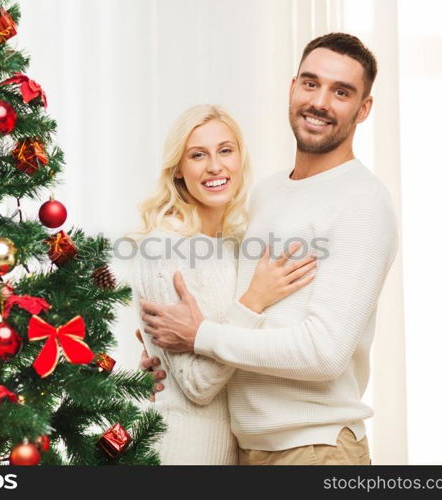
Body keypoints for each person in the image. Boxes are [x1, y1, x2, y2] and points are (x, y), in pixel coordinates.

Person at [139, 33, 399, 465]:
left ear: (363, 109)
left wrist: (201, 336)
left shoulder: (363, 203)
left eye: (341, 92)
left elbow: (324, 354)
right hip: (244, 448)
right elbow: (235, 307)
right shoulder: (264, 194)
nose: (319, 101)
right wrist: (164, 355)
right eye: (311, 84)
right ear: (292, 87)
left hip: (315, 448)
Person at [130, 104, 317, 465]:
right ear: (179, 171)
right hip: (182, 451)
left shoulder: (233, 245)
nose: (215, 166)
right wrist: (253, 301)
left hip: (234, 452)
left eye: (225, 151)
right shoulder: (163, 247)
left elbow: (234, 346)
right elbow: (198, 385)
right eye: (198, 155)